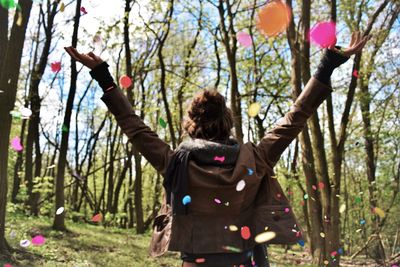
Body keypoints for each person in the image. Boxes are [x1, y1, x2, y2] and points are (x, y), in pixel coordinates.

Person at [65, 31, 369, 267]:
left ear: (191, 125)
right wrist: (327, 65)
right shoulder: (255, 157)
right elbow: (295, 117)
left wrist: (104, 76)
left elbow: (132, 124)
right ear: (227, 123)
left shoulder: (175, 163)